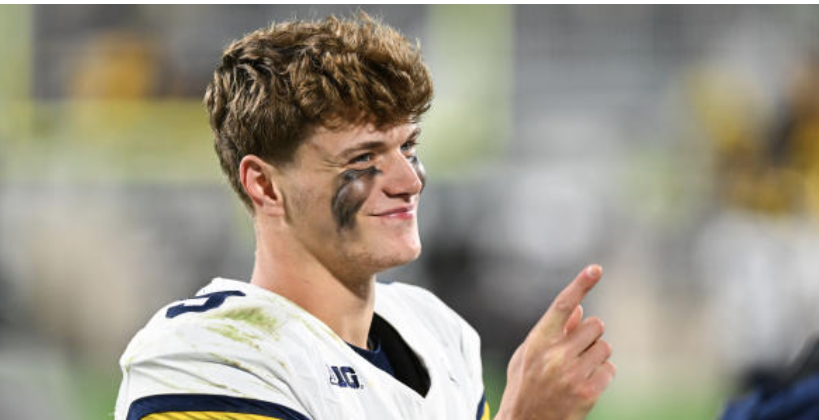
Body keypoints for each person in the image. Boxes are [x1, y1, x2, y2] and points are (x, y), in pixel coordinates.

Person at [114, 14, 614, 420]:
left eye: (408, 147)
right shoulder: (209, 358)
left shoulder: (437, 332)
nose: (409, 180)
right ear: (264, 185)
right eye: (363, 157)